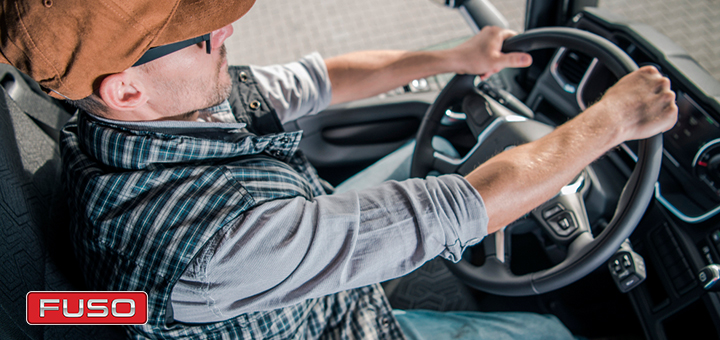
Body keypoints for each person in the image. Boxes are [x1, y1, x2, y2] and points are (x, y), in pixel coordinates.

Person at [1, 0, 677, 339]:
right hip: (334, 326)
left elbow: (311, 80)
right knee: (555, 333)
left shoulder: (135, 116)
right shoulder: (214, 248)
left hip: (299, 270)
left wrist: (454, 58)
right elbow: (462, 207)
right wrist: (612, 122)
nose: (225, 34)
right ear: (126, 88)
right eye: (200, 35)